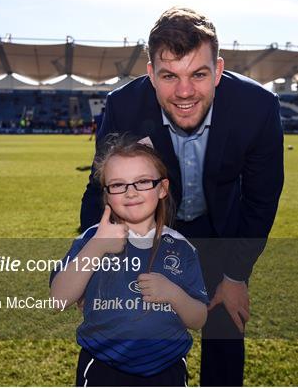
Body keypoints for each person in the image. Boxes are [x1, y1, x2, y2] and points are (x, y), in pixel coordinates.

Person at [80, 7, 284, 386]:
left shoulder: (256, 108)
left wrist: (236, 276)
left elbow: (261, 200)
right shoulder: (124, 106)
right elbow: (102, 190)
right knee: (121, 321)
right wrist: (92, 263)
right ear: (150, 74)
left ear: (219, 70)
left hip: (219, 231)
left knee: (225, 324)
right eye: (169, 75)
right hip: (151, 228)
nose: (185, 91)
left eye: (199, 74)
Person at [51, 137, 209, 386]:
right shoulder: (92, 238)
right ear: (106, 195)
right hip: (103, 366)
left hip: (166, 367)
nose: (130, 192)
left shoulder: (181, 247)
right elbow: (57, 300)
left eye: (143, 181)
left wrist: (174, 294)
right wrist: (96, 248)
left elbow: (199, 319)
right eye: (118, 185)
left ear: (162, 188)